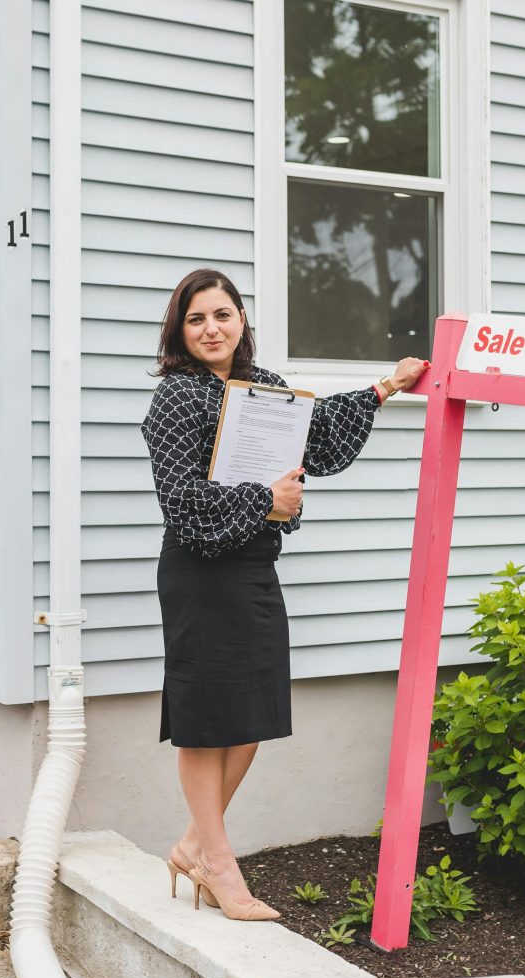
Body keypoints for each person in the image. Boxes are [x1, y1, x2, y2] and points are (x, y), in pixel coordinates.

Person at [141, 267, 428, 921]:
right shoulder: (177, 400)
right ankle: (219, 865)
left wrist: (384, 387)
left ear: (241, 320)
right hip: (197, 571)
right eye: (196, 318)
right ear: (179, 333)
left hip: (252, 569)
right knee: (204, 719)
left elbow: (318, 436)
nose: (211, 327)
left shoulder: (264, 389)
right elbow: (183, 501)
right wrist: (265, 498)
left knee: (253, 714)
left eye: (222, 313)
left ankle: (190, 844)